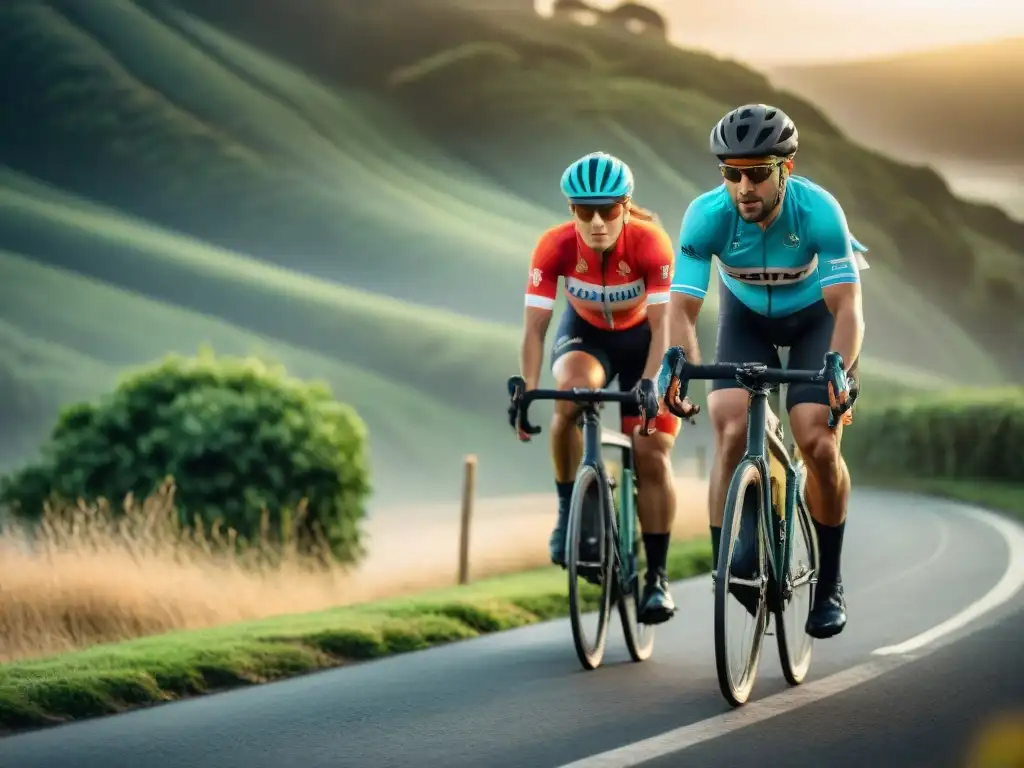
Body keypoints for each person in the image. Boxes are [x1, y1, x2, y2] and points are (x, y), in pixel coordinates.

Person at [668, 104, 864, 639]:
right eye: (732, 173)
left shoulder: (820, 211)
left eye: (757, 172)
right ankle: (727, 558)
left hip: (814, 323)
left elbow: (847, 307)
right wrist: (677, 363)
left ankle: (829, 584)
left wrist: (837, 371)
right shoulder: (705, 216)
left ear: (786, 169)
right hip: (746, 319)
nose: (744, 186)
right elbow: (682, 310)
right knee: (730, 423)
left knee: (818, 442)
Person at [510, 150, 683, 625]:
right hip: (587, 337)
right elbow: (534, 329)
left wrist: (652, 383)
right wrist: (527, 387)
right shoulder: (554, 246)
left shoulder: (651, 243)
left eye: (608, 209)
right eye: (585, 211)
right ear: (571, 210)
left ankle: (657, 579)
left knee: (650, 451)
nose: (598, 222)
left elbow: (666, 328)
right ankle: (569, 512)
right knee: (571, 395)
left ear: (626, 206)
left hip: (646, 340)